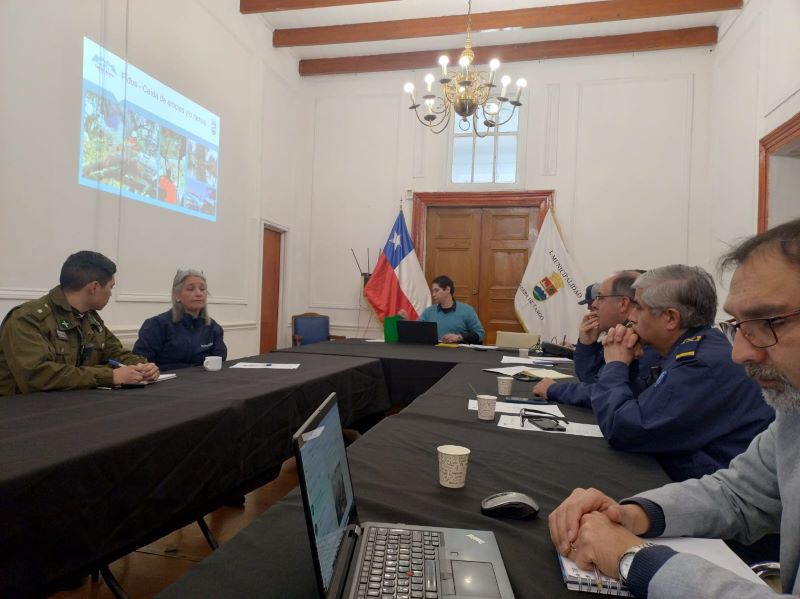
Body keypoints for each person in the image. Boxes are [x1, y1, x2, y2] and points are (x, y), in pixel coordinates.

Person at [548, 219, 800, 598]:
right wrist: (633, 513)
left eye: (767, 322)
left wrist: (631, 558)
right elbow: (736, 494)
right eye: (738, 326)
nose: (739, 353)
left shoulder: (703, 362)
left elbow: (627, 425)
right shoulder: (793, 416)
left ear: (670, 318)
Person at [584, 264, 774, 481]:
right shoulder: (695, 348)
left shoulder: (699, 365)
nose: (631, 317)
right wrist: (628, 365)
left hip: (722, 489)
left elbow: (623, 430)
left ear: (671, 319)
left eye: (639, 308)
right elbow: (642, 402)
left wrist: (616, 365)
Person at [0, 251, 159, 395]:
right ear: (94, 287)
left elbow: (115, 352)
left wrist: (142, 366)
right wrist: (109, 376)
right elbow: (36, 376)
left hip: (72, 403)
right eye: (111, 287)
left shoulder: (89, 318)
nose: (111, 294)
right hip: (21, 410)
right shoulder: (27, 318)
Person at [534, 270, 660, 406]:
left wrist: (555, 390)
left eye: (600, 297)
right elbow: (593, 381)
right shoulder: (623, 337)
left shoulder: (645, 343)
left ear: (623, 303)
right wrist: (587, 345)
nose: (593, 304)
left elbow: (605, 394)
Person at [133, 268, 226, 370]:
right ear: (177, 295)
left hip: (206, 379)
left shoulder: (214, 328)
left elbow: (220, 362)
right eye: (190, 289)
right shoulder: (156, 325)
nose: (199, 293)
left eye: (202, 289)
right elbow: (141, 364)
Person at [416, 275, 484, 344]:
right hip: (433, 350)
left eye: (436, 290)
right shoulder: (428, 312)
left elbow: (480, 334)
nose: (433, 294)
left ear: (448, 289)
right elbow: (416, 330)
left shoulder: (467, 310)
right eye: (432, 291)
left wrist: (459, 337)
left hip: (459, 350)